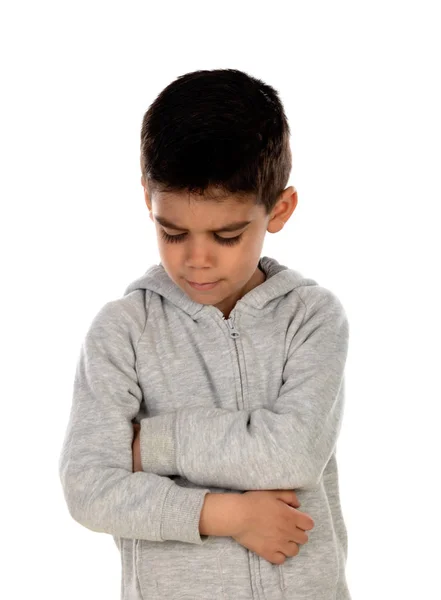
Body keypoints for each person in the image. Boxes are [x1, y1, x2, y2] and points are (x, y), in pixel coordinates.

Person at [58, 68, 351, 600]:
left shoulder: (311, 318)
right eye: (172, 232)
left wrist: (150, 446)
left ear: (278, 210)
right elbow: (89, 487)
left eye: (227, 235)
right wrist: (226, 514)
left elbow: (292, 453)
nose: (196, 259)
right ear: (147, 197)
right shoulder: (124, 331)